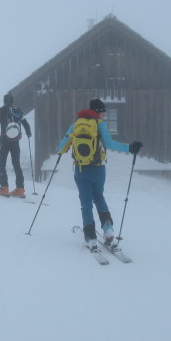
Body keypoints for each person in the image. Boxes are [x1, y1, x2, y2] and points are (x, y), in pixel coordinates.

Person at [57, 98, 143, 249]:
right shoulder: (99, 125)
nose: (103, 115)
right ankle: (108, 230)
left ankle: (90, 238)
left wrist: (61, 151)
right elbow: (109, 143)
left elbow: (61, 147)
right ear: (98, 112)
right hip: (98, 169)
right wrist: (130, 148)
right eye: (103, 113)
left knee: (86, 203)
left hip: (80, 170)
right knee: (99, 197)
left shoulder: (75, 125)